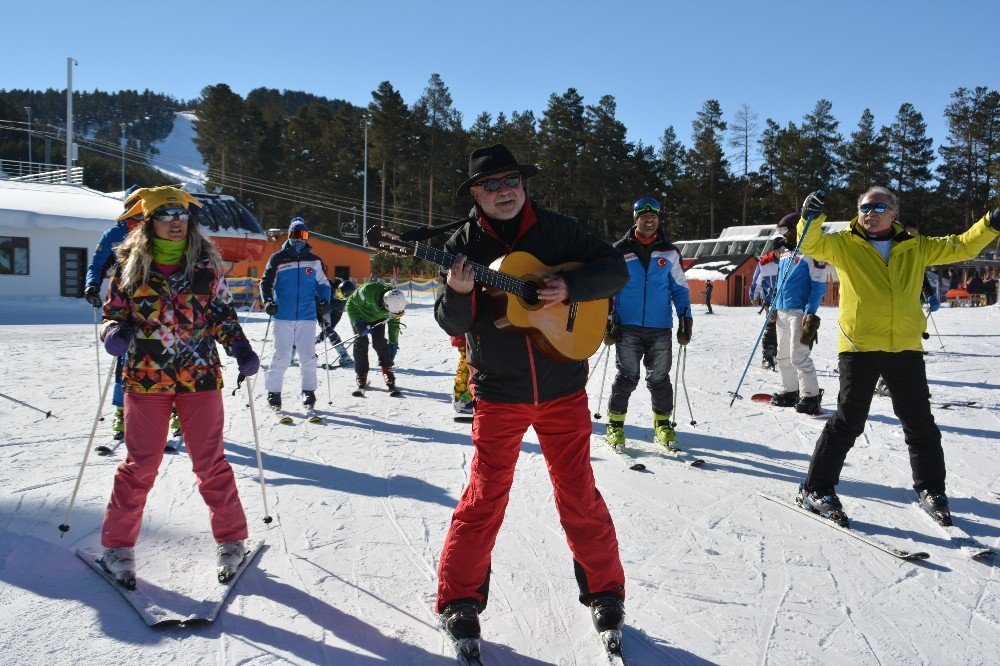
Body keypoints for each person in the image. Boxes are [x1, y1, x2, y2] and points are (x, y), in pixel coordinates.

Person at [434, 144, 629, 649]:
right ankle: (459, 599)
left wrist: (570, 286)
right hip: (499, 392)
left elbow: (615, 271)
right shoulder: (461, 245)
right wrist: (458, 292)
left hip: (563, 384)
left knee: (578, 491)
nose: (504, 192)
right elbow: (450, 321)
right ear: (475, 194)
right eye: (492, 185)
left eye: (511, 182)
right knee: (485, 496)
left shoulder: (560, 230)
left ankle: (606, 591)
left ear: (524, 184)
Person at [794, 188, 999, 527]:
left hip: (904, 347)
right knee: (848, 422)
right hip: (860, 346)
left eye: (877, 207)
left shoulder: (915, 247)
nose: (869, 212)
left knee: (920, 424)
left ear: (894, 213)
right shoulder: (844, 244)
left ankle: (931, 490)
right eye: (863, 207)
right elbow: (810, 243)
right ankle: (816, 489)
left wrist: (990, 223)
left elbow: (962, 245)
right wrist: (811, 216)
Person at [97, 186, 260, 588]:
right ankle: (117, 546)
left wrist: (240, 346)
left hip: (199, 376)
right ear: (149, 222)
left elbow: (223, 315)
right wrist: (113, 333)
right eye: (166, 216)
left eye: (182, 216)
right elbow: (110, 315)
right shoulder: (129, 269)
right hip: (145, 378)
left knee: (210, 462)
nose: (175, 223)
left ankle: (231, 539)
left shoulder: (206, 270)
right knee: (141, 464)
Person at [605, 196, 692, 451]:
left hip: (660, 327)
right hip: (627, 326)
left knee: (659, 379)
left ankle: (663, 425)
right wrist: (607, 320)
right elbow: (608, 289)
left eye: (653, 215)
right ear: (636, 219)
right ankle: (615, 425)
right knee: (627, 377)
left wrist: (686, 318)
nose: (649, 219)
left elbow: (680, 290)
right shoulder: (619, 250)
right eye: (644, 216)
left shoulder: (670, 252)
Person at [84, 186, 147, 441]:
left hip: (159, 305)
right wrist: (92, 284)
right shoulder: (116, 233)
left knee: (167, 355)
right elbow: (98, 263)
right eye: (135, 203)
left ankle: (174, 412)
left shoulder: (158, 231)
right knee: (124, 360)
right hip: (125, 303)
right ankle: (121, 415)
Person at [259, 217, 332, 412]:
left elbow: (324, 284)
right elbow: (266, 283)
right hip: (283, 315)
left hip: (307, 316)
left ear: (307, 237)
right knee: (282, 357)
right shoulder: (278, 259)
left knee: (308, 357)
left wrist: (325, 301)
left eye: (303, 235)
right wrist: (268, 301)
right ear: (289, 236)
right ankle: (273, 392)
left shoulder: (315, 261)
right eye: (295, 235)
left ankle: (308, 391)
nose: (299, 239)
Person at [769, 212, 827, 415]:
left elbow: (819, 286)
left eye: (785, 230)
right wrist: (774, 306)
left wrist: (810, 314)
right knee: (783, 355)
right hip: (783, 310)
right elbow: (781, 283)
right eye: (779, 231)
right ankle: (790, 391)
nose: (783, 235)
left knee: (798, 355)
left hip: (799, 312)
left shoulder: (812, 252)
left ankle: (811, 395)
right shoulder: (785, 253)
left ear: (797, 228)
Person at [345, 281, 406, 392]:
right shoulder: (367, 291)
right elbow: (350, 304)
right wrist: (357, 322)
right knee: (361, 343)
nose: (393, 315)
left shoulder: (395, 306)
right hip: (360, 315)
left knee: (380, 342)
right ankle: (361, 374)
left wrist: (393, 343)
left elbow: (394, 325)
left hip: (378, 319)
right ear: (384, 303)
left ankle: (387, 370)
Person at [749, 235, 785, 370]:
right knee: (771, 327)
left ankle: (782, 356)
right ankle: (768, 356)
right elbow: (756, 280)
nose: (781, 253)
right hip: (770, 300)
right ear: (774, 251)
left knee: (785, 328)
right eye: (779, 250)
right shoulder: (765, 263)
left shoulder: (790, 259)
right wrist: (754, 294)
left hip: (786, 299)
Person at [316, 276, 357, 368]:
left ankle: (344, 356)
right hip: (311, 306)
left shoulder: (339, 304)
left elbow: (333, 324)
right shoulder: (327, 285)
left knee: (329, 331)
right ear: (337, 288)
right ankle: (291, 353)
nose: (337, 296)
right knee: (302, 329)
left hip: (323, 312)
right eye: (338, 292)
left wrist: (322, 335)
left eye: (342, 297)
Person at [450, 334, 473, 415]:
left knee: (465, 365)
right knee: (468, 366)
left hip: (463, 336)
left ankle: (459, 398)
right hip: (468, 336)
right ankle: (463, 401)